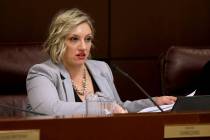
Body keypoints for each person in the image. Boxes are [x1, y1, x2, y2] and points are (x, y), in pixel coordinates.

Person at [26, 8, 176, 116]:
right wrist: (104, 108)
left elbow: (119, 108)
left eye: (88, 39)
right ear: (58, 41)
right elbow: (51, 109)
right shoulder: (41, 73)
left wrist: (154, 102)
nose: (83, 47)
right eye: (74, 39)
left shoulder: (101, 68)